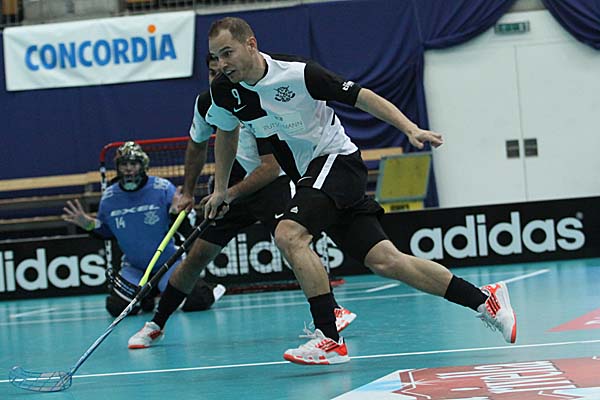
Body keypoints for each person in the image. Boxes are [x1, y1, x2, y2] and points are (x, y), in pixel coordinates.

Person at [203, 17, 518, 366]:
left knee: (289, 234)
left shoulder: (298, 74)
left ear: (251, 44)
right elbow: (226, 134)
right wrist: (222, 190)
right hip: (313, 176)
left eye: (228, 53)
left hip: (336, 161)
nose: (222, 63)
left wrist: (409, 128)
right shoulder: (224, 91)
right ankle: (484, 299)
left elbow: (362, 97)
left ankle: (329, 337)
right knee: (387, 261)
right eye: (216, 56)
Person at [127, 55, 356, 349]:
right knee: (197, 256)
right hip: (233, 184)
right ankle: (157, 323)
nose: (219, 77)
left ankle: (332, 312)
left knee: (293, 245)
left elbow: (270, 167)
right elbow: (196, 146)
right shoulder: (206, 104)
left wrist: (229, 193)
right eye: (212, 72)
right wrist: (187, 192)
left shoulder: (254, 101)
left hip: (271, 186)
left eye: (222, 70)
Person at [63, 142, 225, 318]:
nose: (128, 169)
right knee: (117, 308)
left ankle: (210, 289)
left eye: (133, 163)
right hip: (135, 268)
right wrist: (87, 223)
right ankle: (147, 295)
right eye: (124, 164)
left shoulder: (163, 188)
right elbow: (108, 232)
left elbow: (186, 227)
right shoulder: (109, 197)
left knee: (195, 302)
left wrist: (175, 214)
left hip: (167, 264)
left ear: (143, 165)